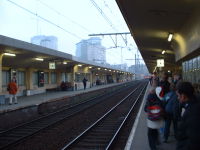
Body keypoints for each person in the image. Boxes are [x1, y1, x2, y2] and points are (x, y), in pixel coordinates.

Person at [176, 82, 200, 150]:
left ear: (183, 96)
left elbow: (194, 140)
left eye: (178, 95)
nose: (177, 98)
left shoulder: (192, 112)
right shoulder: (194, 102)